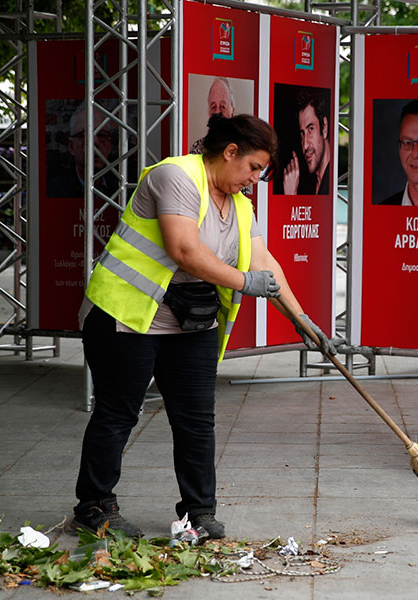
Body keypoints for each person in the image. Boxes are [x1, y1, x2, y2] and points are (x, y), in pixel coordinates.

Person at [69, 114, 336, 539]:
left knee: (196, 421)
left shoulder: (241, 206)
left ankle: (199, 511)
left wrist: (303, 321)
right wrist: (244, 282)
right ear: (230, 152)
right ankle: (94, 504)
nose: (254, 179)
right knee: (118, 414)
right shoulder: (175, 176)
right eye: (252, 167)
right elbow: (184, 249)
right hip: (127, 316)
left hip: (190, 322)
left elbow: (265, 263)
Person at [47, 103, 117, 198]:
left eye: (102, 135)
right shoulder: (55, 191)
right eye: (85, 135)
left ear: (110, 144)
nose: (95, 143)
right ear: (71, 147)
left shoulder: (121, 189)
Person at [282, 88, 331, 196]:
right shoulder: (308, 183)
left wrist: (290, 195)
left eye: (310, 129)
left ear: (325, 128)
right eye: (302, 134)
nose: (305, 145)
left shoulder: (335, 181)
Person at [188, 78, 236, 155]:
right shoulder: (198, 148)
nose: (217, 112)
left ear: (232, 111)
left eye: (223, 106)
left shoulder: (242, 147)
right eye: (213, 107)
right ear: (209, 112)